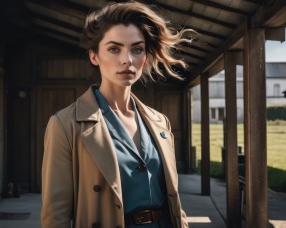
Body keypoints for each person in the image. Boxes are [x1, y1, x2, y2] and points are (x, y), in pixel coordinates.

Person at [41, 1, 193, 227]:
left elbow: (173, 199)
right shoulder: (65, 124)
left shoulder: (160, 122)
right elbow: (56, 216)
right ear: (94, 56)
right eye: (114, 49)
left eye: (137, 49)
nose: (127, 60)